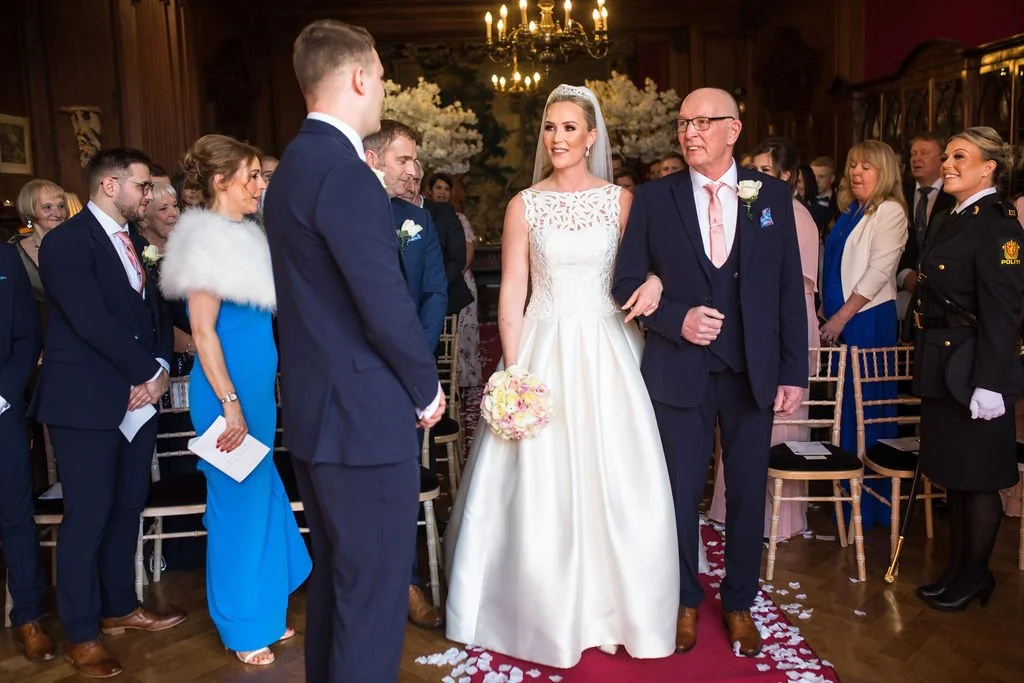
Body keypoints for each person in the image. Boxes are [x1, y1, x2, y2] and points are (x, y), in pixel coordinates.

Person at [445, 84, 681, 668]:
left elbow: (651, 269)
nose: (557, 138)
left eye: (569, 128)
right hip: (544, 342)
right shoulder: (524, 204)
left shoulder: (620, 202)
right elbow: (513, 295)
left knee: (617, 473)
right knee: (540, 475)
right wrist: (515, 370)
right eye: (550, 127)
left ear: (592, 136)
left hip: (609, 347)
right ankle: (542, 608)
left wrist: (655, 283)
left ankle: (616, 607)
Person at [263, 20, 445, 683]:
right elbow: (382, 301)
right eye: (383, 77)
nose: (383, 89)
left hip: (319, 414)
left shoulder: (290, 171)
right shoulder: (344, 174)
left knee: (342, 593)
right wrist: (427, 387)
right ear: (360, 77)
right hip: (365, 420)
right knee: (372, 601)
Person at [613, 87, 808, 657]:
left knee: (747, 492)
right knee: (676, 493)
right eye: (683, 123)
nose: (690, 132)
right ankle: (683, 599)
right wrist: (676, 319)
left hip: (753, 371)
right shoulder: (653, 200)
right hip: (679, 372)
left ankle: (740, 601)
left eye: (703, 122)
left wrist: (793, 370)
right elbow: (624, 285)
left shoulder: (771, 196)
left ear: (734, 129)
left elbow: (786, 291)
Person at [31, 148, 186, 679]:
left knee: (127, 505)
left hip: (139, 399)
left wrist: (162, 366)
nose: (150, 196)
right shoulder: (65, 244)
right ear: (109, 185)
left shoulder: (140, 243)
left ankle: (120, 604)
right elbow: (91, 321)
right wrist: (147, 372)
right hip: (87, 400)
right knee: (88, 515)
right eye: (143, 186)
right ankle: (80, 631)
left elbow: (158, 314)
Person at [159, 134, 312, 666]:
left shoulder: (245, 233)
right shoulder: (204, 239)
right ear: (221, 181)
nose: (260, 185)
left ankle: (266, 609)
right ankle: (242, 625)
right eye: (251, 176)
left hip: (253, 395)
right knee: (237, 507)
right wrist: (230, 402)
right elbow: (203, 333)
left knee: (263, 498)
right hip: (226, 397)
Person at [913, 127, 1024, 611]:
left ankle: (976, 576)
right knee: (955, 474)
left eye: (962, 156)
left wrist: (993, 383)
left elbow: (1005, 311)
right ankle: (958, 569)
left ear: (989, 167)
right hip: (944, 363)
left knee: (978, 477)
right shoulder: (950, 216)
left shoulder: (998, 225)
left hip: (976, 368)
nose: (949, 164)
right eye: (949, 156)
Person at [708, 136, 819, 539]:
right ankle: (729, 509)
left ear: (786, 176)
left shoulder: (797, 215)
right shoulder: (753, 208)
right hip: (752, 322)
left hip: (784, 320)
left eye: (764, 170)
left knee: (780, 422)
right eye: (751, 169)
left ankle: (782, 520)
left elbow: (794, 285)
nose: (753, 177)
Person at [365, 121, 448, 630]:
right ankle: (366, 587)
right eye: (404, 160)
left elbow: (435, 290)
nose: (414, 172)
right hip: (358, 372)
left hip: (405, 374)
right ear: (374, 159)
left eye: (416, 162)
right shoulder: (351, 213)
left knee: (400, 483)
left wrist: (414, 355)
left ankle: (409, 583)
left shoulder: (419, 220)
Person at [819, 140, 908, 530]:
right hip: (841, 317)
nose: (856, 172)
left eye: (867, 166)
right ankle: (845, 489)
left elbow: (876, 273)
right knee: (844, 408)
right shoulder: (851, 211)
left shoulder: (890, 211)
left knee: (866, 407)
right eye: (853, 165)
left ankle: (871, 503)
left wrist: (839, 316)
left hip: (867, 318)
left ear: (884, 171)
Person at [0, 242, 50, 662]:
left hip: (1, 409)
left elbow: (26, 332)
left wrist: (4, 395)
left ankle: (29, 617)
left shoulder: (4, 258)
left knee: (15, 516)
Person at [426, 171, 482, 387]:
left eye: (445, 189)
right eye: (438, 188)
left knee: (460, 333)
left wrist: (445, 280)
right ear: (429, 190)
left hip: (456, 279)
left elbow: (465, 252)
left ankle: (463, 378)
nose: (441, 192)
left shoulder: (457, 218)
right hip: (439, 282)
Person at [137, 183, 193, 376]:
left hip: (201, 354)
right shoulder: (137, 260)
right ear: (143, 220)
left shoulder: (190, 254)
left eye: (175, 205)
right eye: (163, 208)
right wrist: (189, 344)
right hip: (164, 361)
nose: (174, 213)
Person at [11, 178, 68, 306]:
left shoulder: (79, 244)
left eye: (61, 206)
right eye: (47, 207)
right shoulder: (14, 253)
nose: (58, 213)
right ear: (29, 211)